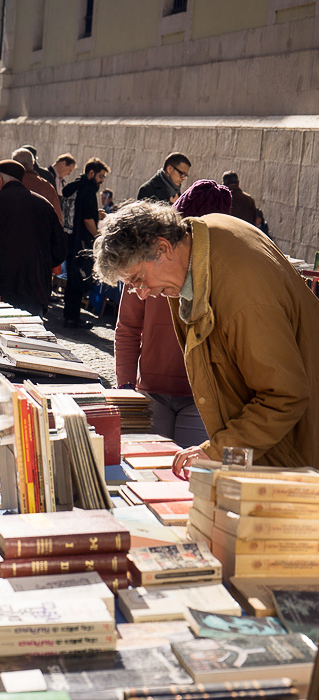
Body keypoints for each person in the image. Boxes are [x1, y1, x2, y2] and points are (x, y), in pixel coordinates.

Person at [93, 199, 319, 478]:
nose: (142, 293)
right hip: (272, 442)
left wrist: (217, 451)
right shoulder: (199, 245)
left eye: (139, 280)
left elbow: (285, 395)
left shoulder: (242, 295)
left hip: (296, 453)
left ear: (163, 248)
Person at [115, 180, 231, 448]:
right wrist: (125, 385)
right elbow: (128, 328)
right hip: (152, 391)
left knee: (188, 476)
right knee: (149, 470)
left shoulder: (223, 268)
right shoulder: (146, 261)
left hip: (202, 397)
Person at [0, 159, 67, 316]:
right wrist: (41, 266)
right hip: (35, 291)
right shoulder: (44, 205)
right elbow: (60, 249)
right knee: (31, 339)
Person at [62, 157, 110, 328]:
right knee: (78, 281)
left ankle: (70, 315)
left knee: (73, 280)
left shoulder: (74, 186)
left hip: (69, 238)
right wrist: (98, 236)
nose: (102, 180)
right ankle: (72, 317)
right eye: (101, 176)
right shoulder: (88, 190)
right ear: (91, 173)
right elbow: (87, 219)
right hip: (81, 243)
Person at [12, 148, 62, 222]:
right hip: (40, 231)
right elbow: (58, 219)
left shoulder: (4, 184)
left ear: (13, 164)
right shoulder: (47, 187)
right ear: (32, 164)